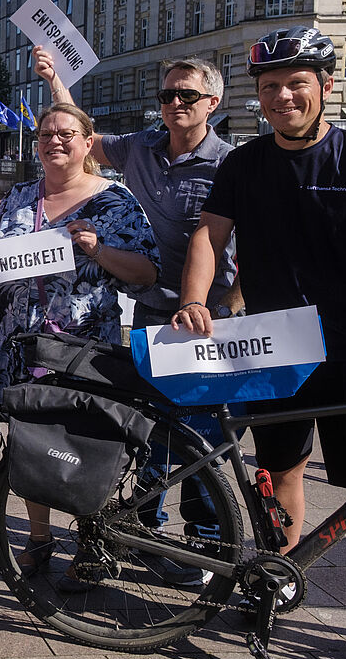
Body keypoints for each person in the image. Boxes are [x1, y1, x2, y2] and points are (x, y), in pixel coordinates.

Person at [172, 25, 346, 659]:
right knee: (281, 470)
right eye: (270, 88)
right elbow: (210, 234)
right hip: (275, 344)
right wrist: (196, 298)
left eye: (296, 84)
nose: (283, 97)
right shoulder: (246, 164)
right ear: (257, 97)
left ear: (325, 87)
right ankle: (281, 580)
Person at [35, 47, 240, 581]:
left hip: (211, 317)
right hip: (153, 311)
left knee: (202, 437)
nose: (175, 103)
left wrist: (231, 306)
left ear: (212, 103)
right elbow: (83, 139)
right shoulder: (143, 146)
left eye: (187, 95)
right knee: (148, 428)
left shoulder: (231, 163)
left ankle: (204, 544)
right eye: (168, 94)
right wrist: (57, 80)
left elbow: (256, 245)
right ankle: (142, 531)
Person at [0, 103, 159, 585]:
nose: (55, 141)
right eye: (46, 134)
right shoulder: (20, 197)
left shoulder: (114, 201)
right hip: (21, 345)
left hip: (84, 350)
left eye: (66, 133)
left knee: (85, 446)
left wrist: (99, 249)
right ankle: (38, 537)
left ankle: (92, 543)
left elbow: (147, 273)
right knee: (29, 443)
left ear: (88, 141)